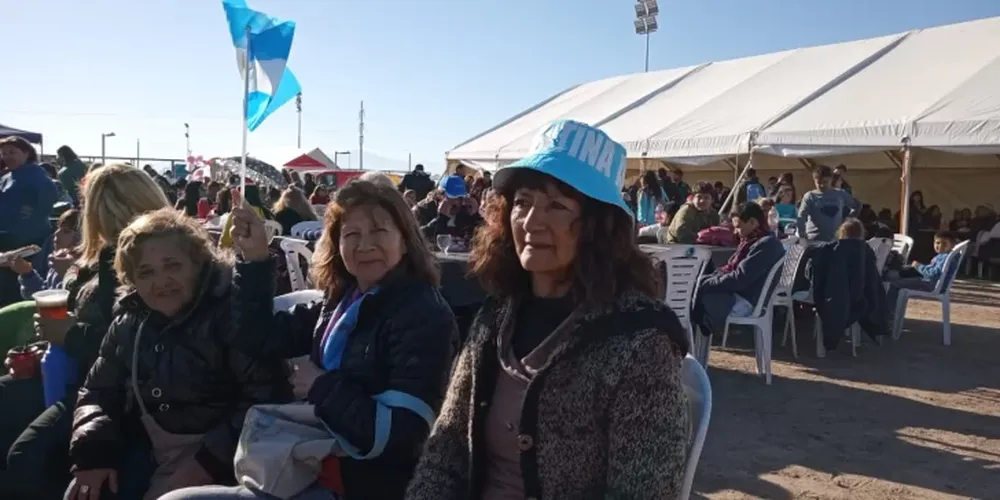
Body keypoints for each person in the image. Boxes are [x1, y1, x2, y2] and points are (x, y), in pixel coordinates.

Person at [406, 120, 690, 500]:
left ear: (598, 225)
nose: (531, 221)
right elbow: (446, 451)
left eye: (556, 205)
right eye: (522, 202)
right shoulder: (495, 318)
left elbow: (644, 492)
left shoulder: (640, 344)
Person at [165, 180, 458, 500]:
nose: (365, 245)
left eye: (379, 231)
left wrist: (321, 386)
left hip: (365, 485)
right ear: (336, 244)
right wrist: (256, 260)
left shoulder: (422, 313)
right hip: (311, 467)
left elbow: (405, 437)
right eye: (351, 235)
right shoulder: (342, 300)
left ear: (405, 240)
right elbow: (257, 337)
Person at [64, 208, 293, 500]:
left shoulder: (230, 316)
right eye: (146, 272)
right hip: (153, 450)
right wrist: (94, 452)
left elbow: (267, 396)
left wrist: (208, 462)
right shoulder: (130, 322)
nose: (161, 281)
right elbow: (97, 391)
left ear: (198, 265)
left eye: (172, 266)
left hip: (231, 456)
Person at [0, 164, 171, 500]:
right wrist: (47, 348)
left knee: (26, 458)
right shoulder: (108, 256)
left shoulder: (137, 261)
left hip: (116, 396)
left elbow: (141, 346)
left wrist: (70, 335)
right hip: (78, 373)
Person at [692, 202, 784, 339]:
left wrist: (704, 283)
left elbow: (739, 279)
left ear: (753, 222)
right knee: (692, 293)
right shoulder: (752, 241)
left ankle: (691, 344)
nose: (736, 232)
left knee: (692, 298)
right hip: (737, 293)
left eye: (738, 227)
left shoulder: (766, 245)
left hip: (745, 300)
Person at [0, 137, 58, 306]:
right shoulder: (6, 177)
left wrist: (27, 212)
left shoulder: (36, 174)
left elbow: (49, 196)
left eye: (12, 152)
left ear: (26, 153)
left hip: (29, 240)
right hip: (6, 239)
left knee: (20, 285)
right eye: (4, 153)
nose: (7, 156)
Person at [796, 165, 859, 242]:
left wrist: (848, 220)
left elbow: (857, 206)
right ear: (814, 180)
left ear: (831, 180)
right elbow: (801, 217)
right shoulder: (810, 196)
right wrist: (802, 236)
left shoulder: (840, 194)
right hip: (814, 239)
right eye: (818, 182)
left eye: (825, 182)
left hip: (835, 239)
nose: (822, 185)